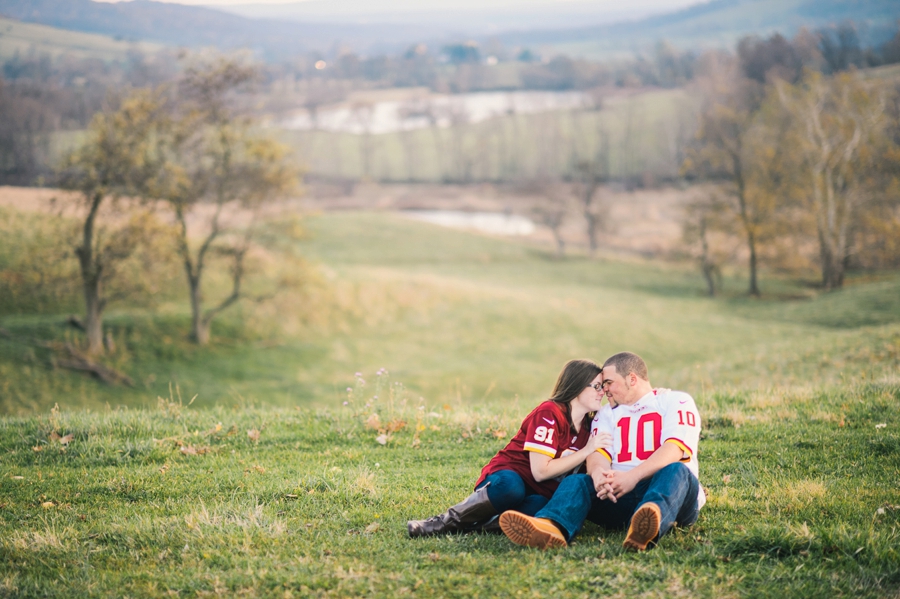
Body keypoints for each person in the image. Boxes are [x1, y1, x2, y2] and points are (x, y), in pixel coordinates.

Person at [499, 351, 704, 551]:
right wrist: (599, 476)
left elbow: (674, 448)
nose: (604, 390)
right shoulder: (606, 414)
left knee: (676, 470)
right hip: (620, 495)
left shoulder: (675, 401)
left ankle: (649, 519)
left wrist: (632, 477)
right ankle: (552, 526)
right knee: (578, 481)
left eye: (608, 383)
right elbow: (598, 454)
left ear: (632, 379)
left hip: (672, 495)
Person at [408, 359, 613, 537]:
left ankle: (475, 528)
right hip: (509, 478)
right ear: (577, 386)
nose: (602, 392)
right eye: (596, 386)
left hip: (537, 493)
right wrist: (586, 451)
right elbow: (540, 472)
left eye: (603, 386)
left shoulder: (590, 426)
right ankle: (442, 522)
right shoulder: (550, 412)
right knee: (511, 488)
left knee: (543, 509)